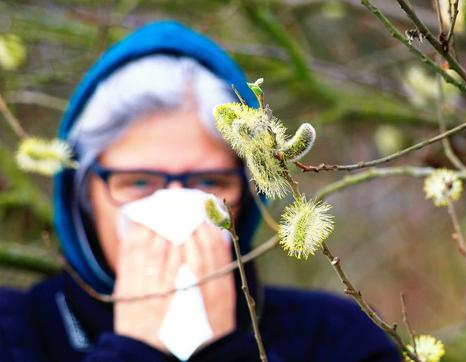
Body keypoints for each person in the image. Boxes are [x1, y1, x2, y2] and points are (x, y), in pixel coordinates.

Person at [0, 21, 399, 361]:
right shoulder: (14, 334)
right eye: (139, 182)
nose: (175, 204)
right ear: (85, 196)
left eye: (209, 182)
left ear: (247, 193)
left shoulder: (336, 341)